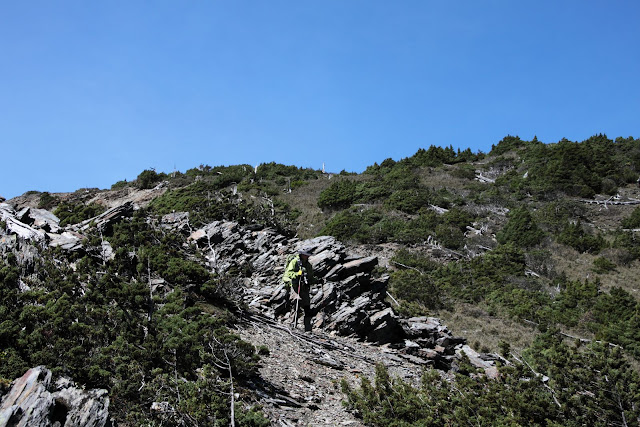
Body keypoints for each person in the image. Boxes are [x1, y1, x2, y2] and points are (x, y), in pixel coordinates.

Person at [281, 249, 314, 331]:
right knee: (296, 302)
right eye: (305, 255)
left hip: (304, 287)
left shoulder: (308, 265)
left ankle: (308, 328)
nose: (306, 256)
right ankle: (292, 325)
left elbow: (310, 277)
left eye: (307, 255)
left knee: (307, 306)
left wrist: (316, 280)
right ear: (302, 254)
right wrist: (297, 274)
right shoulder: (295, 262)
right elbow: (289, 273)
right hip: (295, 285)